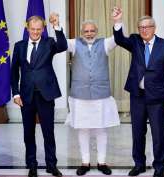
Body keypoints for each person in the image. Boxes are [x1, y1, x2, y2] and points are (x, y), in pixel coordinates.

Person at [49, 13, 120, 176]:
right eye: (86, 31)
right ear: (82, 32)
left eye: (92, 31)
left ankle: (102, 162)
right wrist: (57, 26)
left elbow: (117, 38)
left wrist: (117, 22)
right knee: (83, 129)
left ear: (96, 31)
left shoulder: (105, 43)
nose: (89, 33)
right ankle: (85, 162)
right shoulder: (74, 43)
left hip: (100, 94)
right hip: (80, 95)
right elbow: (61, 43)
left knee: (101, 129)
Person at [112, 7, 164, 177]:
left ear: (154, 28)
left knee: (158, 134)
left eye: (147, 27)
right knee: (137, 133)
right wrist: (118, 21)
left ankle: (159, 167)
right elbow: (119, 39)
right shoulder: (134, 41)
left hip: (158, 98)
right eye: (141, 27)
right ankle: (139, 164)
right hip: (138, 97)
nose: (144, 30)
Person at [11, 15, 67, 177]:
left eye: (38, 29)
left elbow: (62, 46)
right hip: (26, 95)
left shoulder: (49, 43)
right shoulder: (19, 46)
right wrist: (15, 93)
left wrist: (57, 25)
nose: (35, 32)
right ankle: (32, 165)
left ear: (43, 29)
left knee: (48, 131)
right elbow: (14, 72)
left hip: (46, 95)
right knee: (28, 132)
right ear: (27, 28)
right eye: (32, 29)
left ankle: (51, 165)